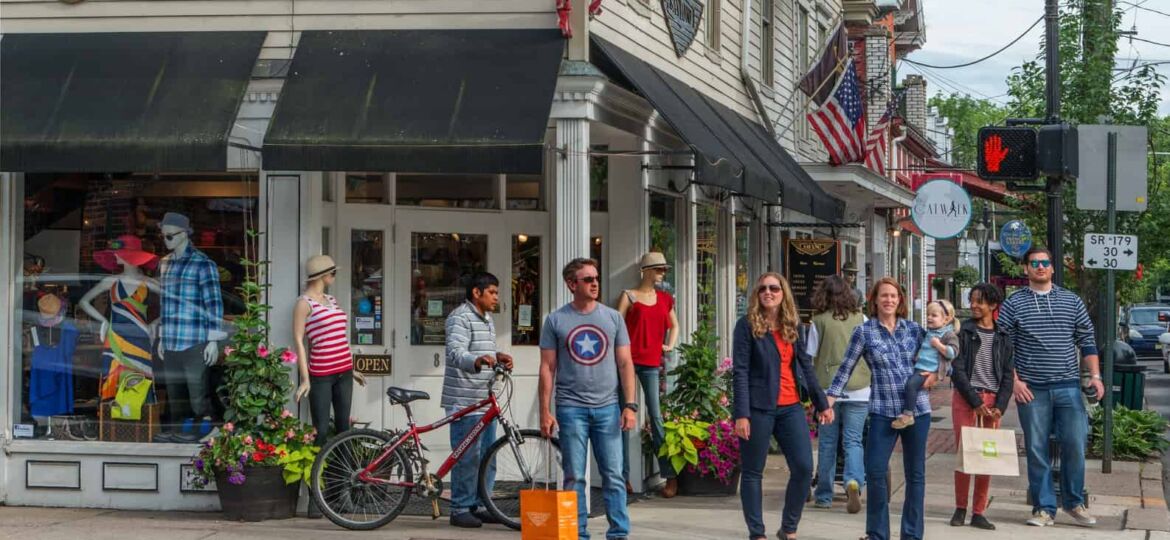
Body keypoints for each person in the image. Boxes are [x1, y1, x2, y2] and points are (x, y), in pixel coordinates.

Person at [999, 246, 1102, 528]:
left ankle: (1074, 503)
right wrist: (1015, 382)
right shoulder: (1014, 304)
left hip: (1068, 387)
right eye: (1034, 263)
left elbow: (1087, 341)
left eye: (1045, 262)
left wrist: (1096, 377)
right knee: (1036, 449)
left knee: (1075, 445)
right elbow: (1003, 348)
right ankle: (1044, 508)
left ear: (1053, 268)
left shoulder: (1072, 301)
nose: (1040, 267)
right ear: (1026, 269)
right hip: (1032, 389)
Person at [827, 277, 936, 540]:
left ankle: (912, 534)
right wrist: (830, 397)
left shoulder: (914, 330)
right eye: (883, 295)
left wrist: (935, 376)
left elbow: (941, 359)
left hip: (917, 411)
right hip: (882, 411)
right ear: (874, 300)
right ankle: (877, 534)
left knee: (915, 474)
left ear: (900, 301)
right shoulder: (864, 332)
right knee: (875, 471)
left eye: (893, 296)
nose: (888, 300)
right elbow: (846, 367)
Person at [539, 258, 637, 540]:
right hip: (571, 409)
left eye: (596, 278)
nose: (595, 283)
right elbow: (547, 368)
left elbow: (625, 363)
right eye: (587, 279)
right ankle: (577, 533)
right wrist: (545, 411)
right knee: (574, 477)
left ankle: (618, 533)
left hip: (608, 407)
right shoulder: (556, 320)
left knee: (614, 475)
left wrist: (629, 405)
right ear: (572, 284)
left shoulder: (612, 318)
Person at [733, 272, 833, 540]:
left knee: (802, 468)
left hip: (790, 408)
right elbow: (740, 371)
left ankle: (789, 527)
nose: (768, 292)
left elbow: (806, 367)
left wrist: (821, 403)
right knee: (753, 471)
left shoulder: (793, 326)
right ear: (757, 293)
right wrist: (741, 414)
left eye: (774, 288)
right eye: (763, 288)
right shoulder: (746, 326)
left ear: (783, 293)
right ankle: (757, 532)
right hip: (757, 408)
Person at [442, 271, 514, 528]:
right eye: (492, 292)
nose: (496, 297)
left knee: (487, 456)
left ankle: (481, 504)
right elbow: (456, 351)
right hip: (464, 399)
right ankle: (460, 508)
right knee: (468, 457)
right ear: (477, 292)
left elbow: (480, 351)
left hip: (484, 400)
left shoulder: (486, 318)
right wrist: (476, 360)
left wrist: (496, 355)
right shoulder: (460, 317)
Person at [949, 283, 1015, 530]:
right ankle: (960, 508)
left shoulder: (1004, 336)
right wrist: (975, 401)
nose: (974, 305)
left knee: (987, 457)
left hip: (992, 402)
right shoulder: (963, 332)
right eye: (972, 300)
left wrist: (1000, 405)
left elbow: (1008, 375)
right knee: (965, 455)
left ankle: (979, 511)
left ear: (993, 305)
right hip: (967, 399)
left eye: (979, 301)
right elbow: (957, 369)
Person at [616, 252, 680, 497]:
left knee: (656, 417)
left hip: (652, 363)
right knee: (624, 419)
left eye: (664, 269)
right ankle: (622, 477)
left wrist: (669, 345)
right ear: (647, 270)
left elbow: (674, 325)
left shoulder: (664, 299)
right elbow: (616, 327)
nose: (662, 273)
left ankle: (669, 476)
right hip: (628, 364)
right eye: (659, 269)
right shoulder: (628, 296)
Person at [807, 275, 868, 513]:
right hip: (860, 388)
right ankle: (853, 481)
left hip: (827, 392)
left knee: (828, 443)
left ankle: (824, 495)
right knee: (853, 440)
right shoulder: (861, 319)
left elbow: (810, 355)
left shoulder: (818, 321)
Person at [292, 255, 367, 444]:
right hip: (321, 374)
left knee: (344, 427)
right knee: (322, 430)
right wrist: (305, 378)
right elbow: (299, 340)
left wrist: (351, 369)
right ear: (322, 275)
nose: (334, 276)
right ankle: (316, 471)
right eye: (332, 273)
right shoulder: (304, 303)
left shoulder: (331, 300)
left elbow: (339, 335)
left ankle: (344, 472)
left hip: (344, 371)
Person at [892, 300, 959, 429]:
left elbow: (952, 353)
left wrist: (939, 345)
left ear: (946, 319)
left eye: (934, 315)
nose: (929, 318)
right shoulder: (930, 332)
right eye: (928, 314)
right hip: (921, 366)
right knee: (912, 386)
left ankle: (908, 414)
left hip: (928, 369)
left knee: (911, 385)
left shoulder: (948, 335)